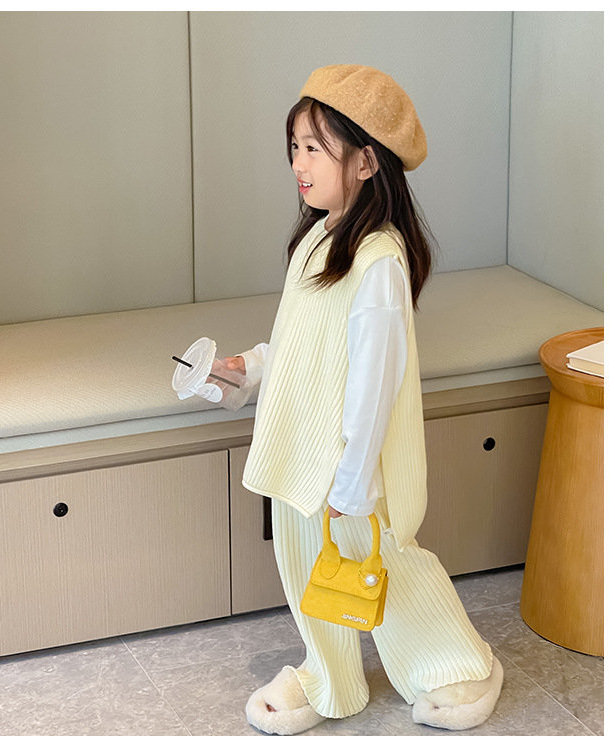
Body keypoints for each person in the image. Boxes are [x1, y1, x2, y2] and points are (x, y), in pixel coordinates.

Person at [224, 65, 503, 736]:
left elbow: (376, 384)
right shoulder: (316, 239)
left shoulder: (378, 261)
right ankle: (328, 676)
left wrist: (353, 479)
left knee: (387, 565)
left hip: (349, 463)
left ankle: (456, 662)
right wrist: (245, 370)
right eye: (295, 146)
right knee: (307, 568)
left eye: (315, 148)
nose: (299, 163)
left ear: (367, 161)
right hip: (300, 448)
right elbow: (298, 346)